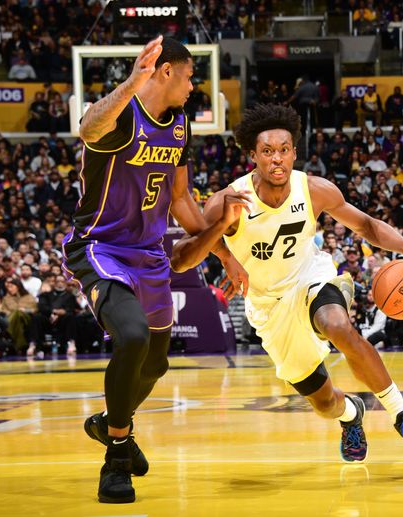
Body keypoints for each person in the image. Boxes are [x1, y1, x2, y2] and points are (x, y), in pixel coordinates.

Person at [171, 103, 403, 464]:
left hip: (310, 278)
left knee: (336, 324)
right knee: (325, 403)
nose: (277, 159)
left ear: (294, 153)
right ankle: (352, 416)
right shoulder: (228, 201)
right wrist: (225, 254)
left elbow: (366, 226)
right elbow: (189, 249)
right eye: (267, 152)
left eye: (284, 150)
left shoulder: (314, 189)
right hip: (268, 307)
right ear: (253, 155)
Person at [61, 36, 251, 504]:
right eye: (189, 76)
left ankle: (109, 425)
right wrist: (131, 82)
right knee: (131, 337)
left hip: (149, 254)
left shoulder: (180, 125)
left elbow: (182, 199)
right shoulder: (122, 114)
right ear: (165, 72)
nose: (193, 86)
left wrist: (223, 252)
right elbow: (86, 129)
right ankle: (118, 457)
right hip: (103, 248)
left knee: (157, 362)